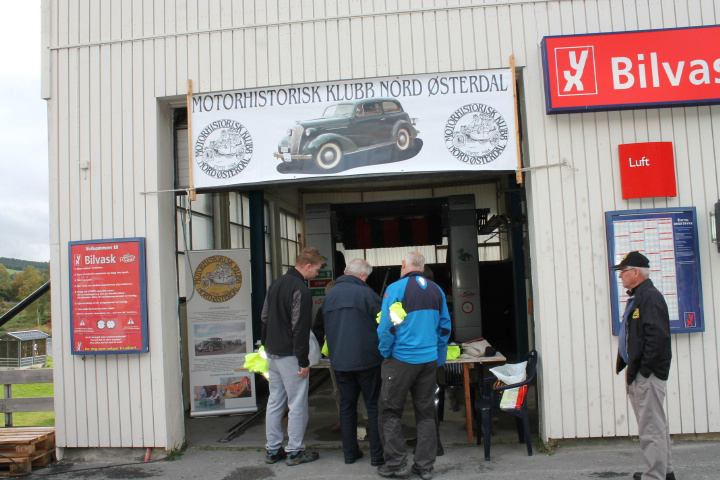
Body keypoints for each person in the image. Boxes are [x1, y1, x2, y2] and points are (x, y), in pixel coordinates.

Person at [376, 252, 451, 480]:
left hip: (401, 359)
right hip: (428, 361)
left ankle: (396, 464)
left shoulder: (396, 289)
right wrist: (436, 353)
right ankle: (424, 467)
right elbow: (445, 327)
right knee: (426, 413)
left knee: (389, 411)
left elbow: (386, 326)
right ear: (423, 267)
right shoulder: (436, 290)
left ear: (403, 265)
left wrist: (386, 352)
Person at [611, 251, 675, 480]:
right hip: (640, 372)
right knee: (655, 424)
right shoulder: (641, 296)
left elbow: (657, 338)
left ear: (636, 272)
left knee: (651, 427)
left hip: (647, 374)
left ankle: (655, 476)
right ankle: (665, 472)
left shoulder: (650, 297)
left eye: (623, 271)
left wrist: (644, 371)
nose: (620, 276)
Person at [261, 247, 325, 466]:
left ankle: (272, 449)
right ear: (307, 266)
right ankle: (295, 451)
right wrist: (303, 361)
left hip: (272, 352)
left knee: (275, 400)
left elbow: (264, 317)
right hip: (290, 354)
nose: (317, 273)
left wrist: (267, 345)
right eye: (317, 269)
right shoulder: (301, 290)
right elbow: (299, 327)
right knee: (297, 403)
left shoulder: (275, 284)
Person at [322, 258, 385, 466]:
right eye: (366, 277)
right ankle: (377, 456)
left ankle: (350, 453)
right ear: (362, 275)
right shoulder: (367, 294)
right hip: (367, 361)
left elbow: (324, 327)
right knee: (373, 406)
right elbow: (383, 323)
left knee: (347, 407)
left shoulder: (330, 296)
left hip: (340, 361)